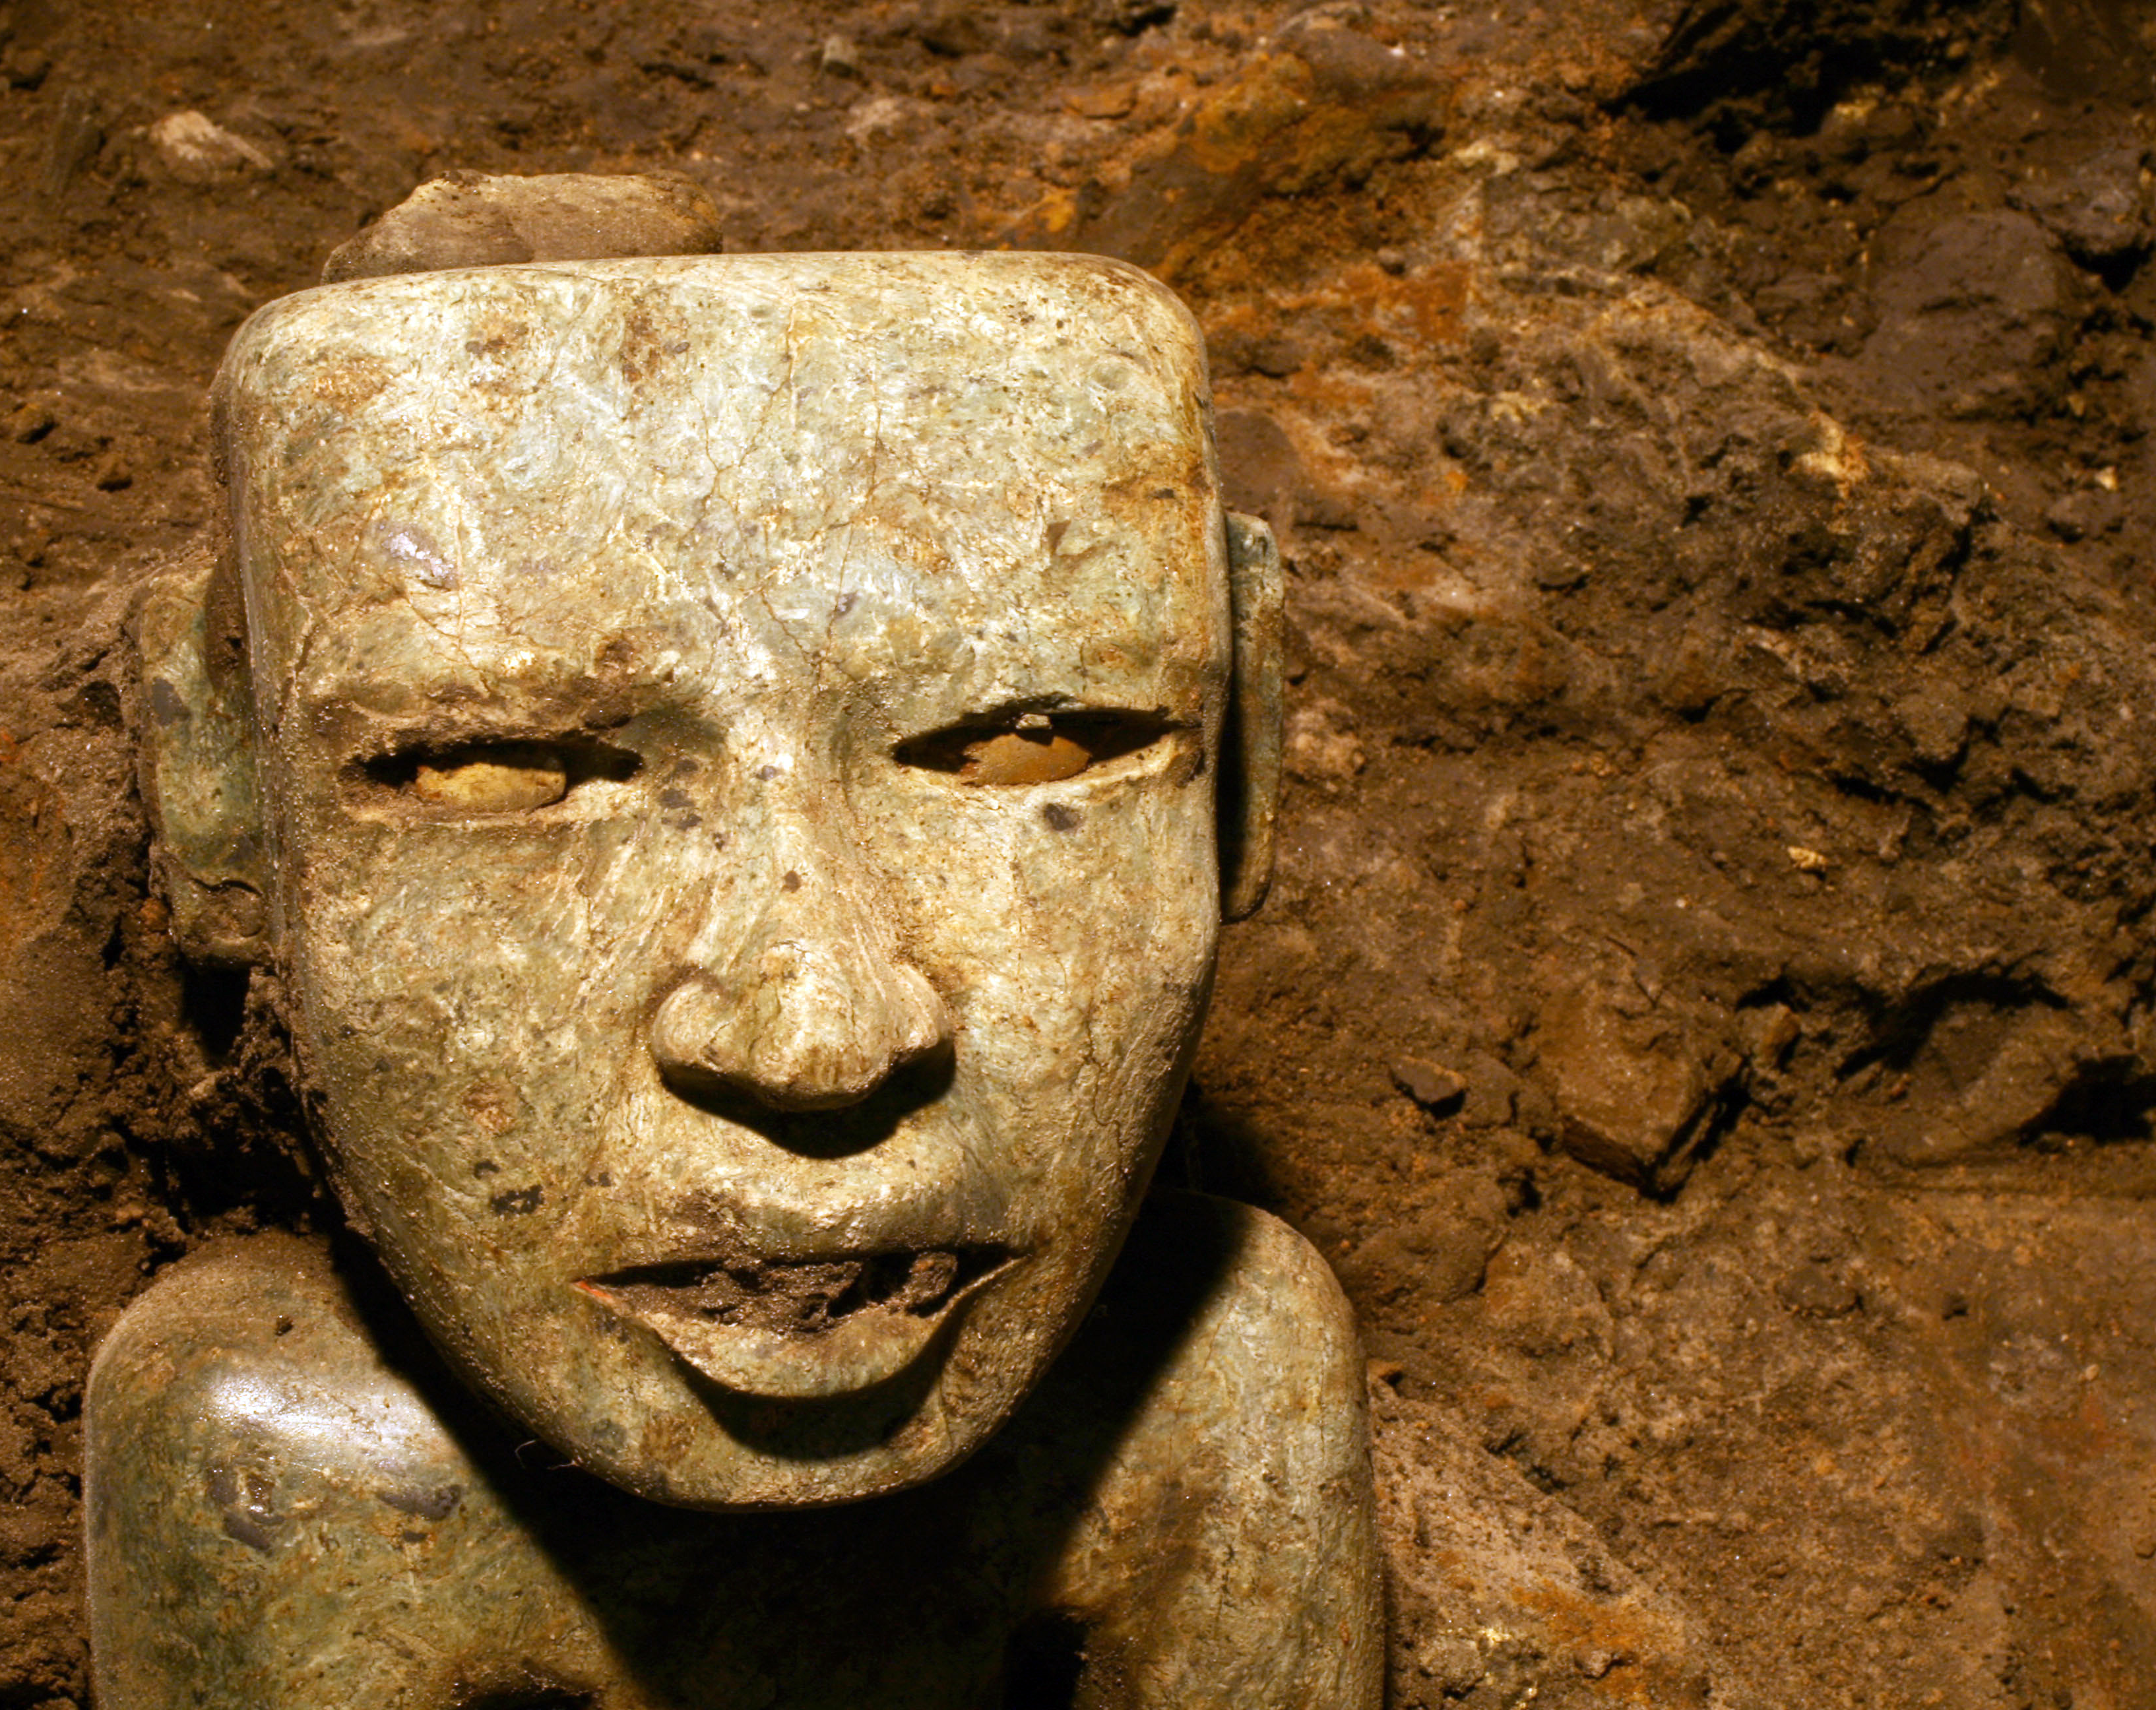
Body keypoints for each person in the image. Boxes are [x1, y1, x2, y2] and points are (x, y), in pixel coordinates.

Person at [91, 249, 1376, 1709]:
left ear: (1249, 766)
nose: (820, 1042)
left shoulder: (1225, 1389)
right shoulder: (275, 1457)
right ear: (218, 809)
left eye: (1030, 746)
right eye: (500, 770)